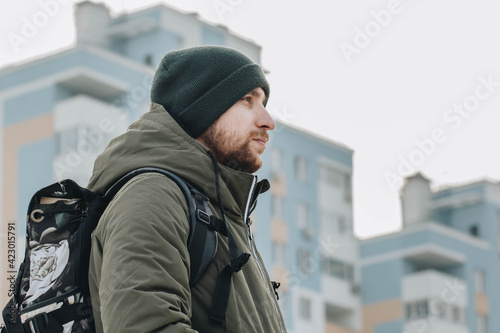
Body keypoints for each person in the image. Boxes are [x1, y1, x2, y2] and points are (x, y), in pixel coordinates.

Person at [87, 46, 287, 332]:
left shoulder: (222, 213)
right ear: (202, 108)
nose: (268, 121)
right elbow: (147, 326)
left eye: (264, 103)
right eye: (247, 100)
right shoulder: (152, 196)